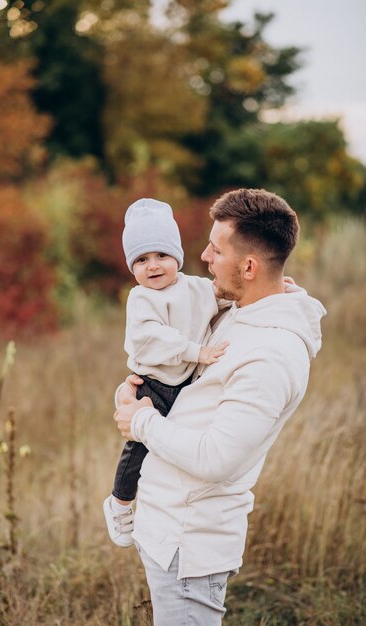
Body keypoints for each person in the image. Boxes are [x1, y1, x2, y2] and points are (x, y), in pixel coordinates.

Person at [113, 188, 326, 626]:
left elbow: (216, 458)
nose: (204, 256)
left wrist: (141, 421)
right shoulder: (243, 309)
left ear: (248, 266)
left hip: (190, 546)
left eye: (216, 247)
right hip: (167, 527)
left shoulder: (270, 355)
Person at [103, 198, 229, 547]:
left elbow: (225, 299)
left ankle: (173, 509)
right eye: (141, 260)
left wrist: (275, 292)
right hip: (154, 384)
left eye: (161, 255)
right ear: (132, 267)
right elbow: (153, 338)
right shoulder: (141, 299)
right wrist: (197, 351)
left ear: (177, 256)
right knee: (139, 448)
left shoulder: (195, 287)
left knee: (178, 448)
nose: (153, 266)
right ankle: (120, 502)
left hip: (187, 382)